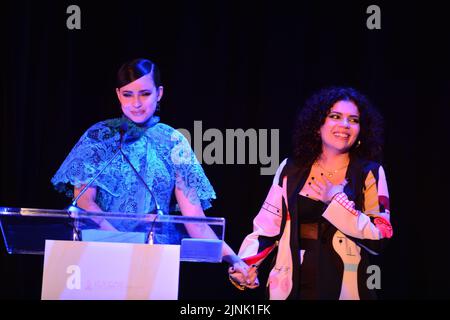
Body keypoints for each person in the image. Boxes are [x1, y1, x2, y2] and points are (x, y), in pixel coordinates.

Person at [51, 58, 249, 271]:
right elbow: (84, 201)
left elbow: (195, 221)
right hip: (96, 255)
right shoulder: (99, 137)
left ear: (159, 93)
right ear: (118, 94)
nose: (136, 103)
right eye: (128, 94)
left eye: (145, 94)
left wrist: (235, 261)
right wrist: (121, 241)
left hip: (152, 262)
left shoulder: (173, 142)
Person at [228, 87, 393, 299]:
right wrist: (243, 265)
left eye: (353, 120)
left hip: (345, 286)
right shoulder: (291, 168)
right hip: (292, 284)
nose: (344, 125)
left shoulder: (369, 172)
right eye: (335, 116)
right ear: (317, 125)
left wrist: (335, 200)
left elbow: (380, 236)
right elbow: (266, 228)